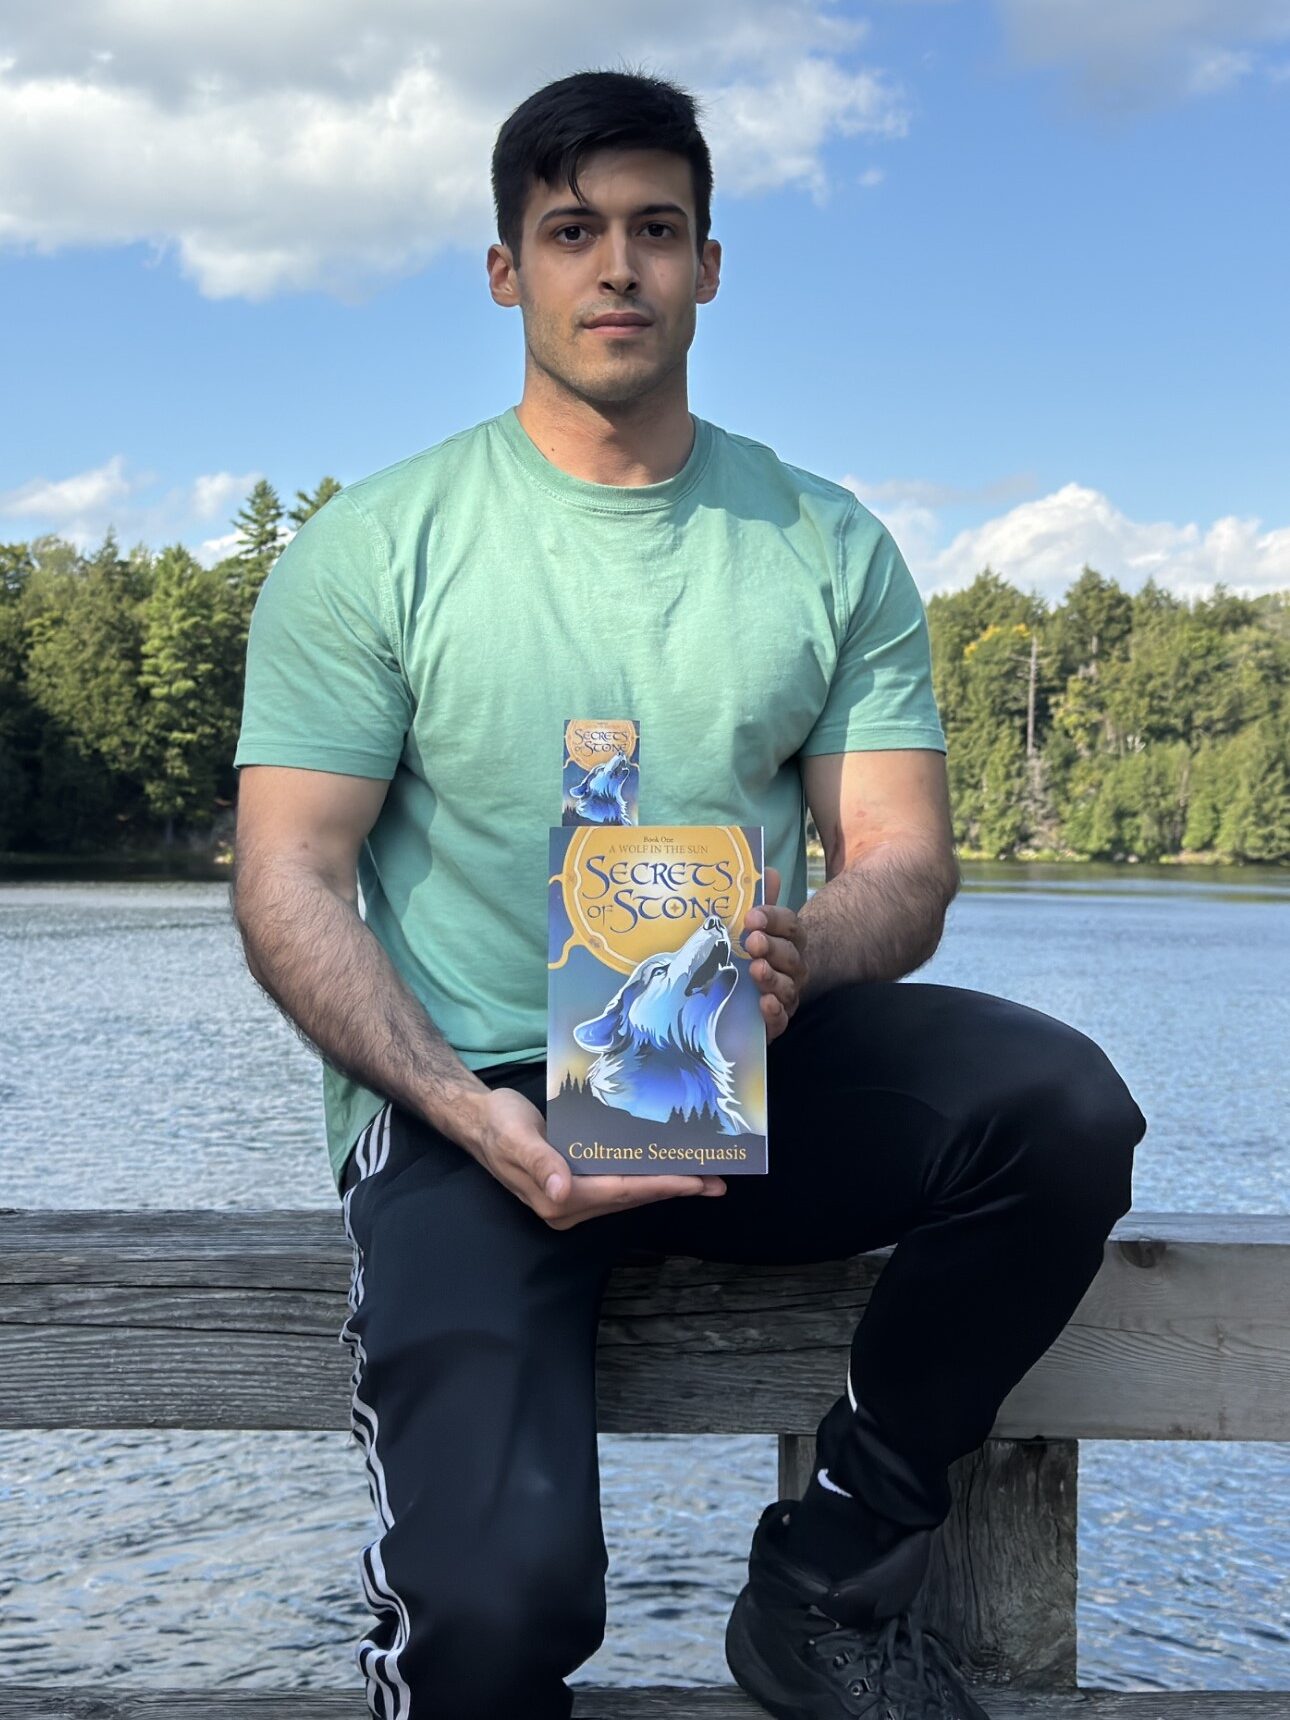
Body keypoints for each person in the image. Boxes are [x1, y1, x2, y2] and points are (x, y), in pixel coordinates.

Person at [231, 68, 1147, 1720]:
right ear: (506, 269)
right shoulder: (379, 547)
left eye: (657, 231)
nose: (619, 270)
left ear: (710, 267)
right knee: (496, 1619)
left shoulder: (821, 541)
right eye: (572, 232)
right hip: (475, 1105)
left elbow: (903, 864)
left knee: (1056, 1108)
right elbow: (286, 877)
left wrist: (816, 947)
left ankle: (830, 1574)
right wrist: (457, 1102)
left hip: (741, 1058)